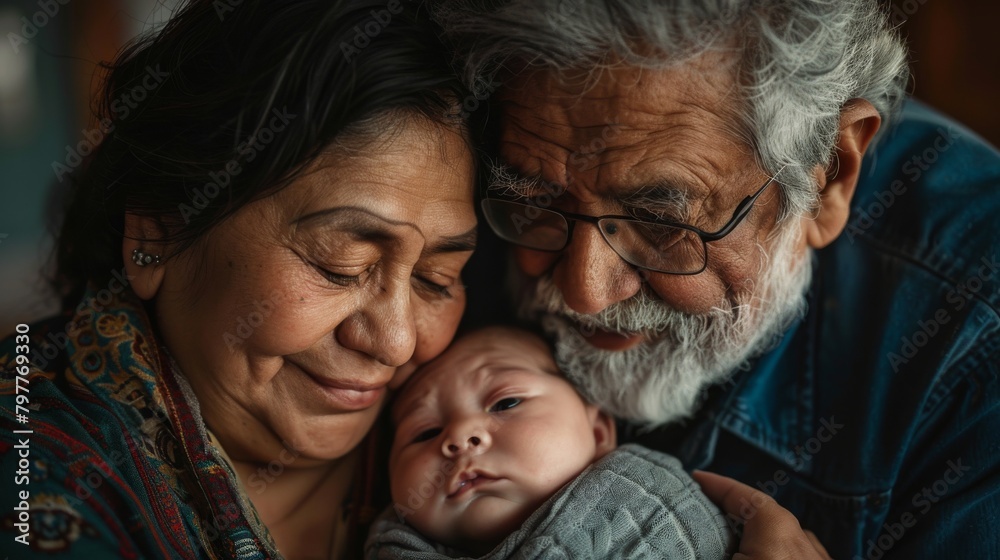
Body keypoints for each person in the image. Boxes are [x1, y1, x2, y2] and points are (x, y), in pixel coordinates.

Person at [434, 1, 1000, 558]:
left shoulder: (978, 330)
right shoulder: (453, 183)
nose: (584, 291)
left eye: (659, 223)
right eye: (534, 202)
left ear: (828, 178)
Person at [0, 1, 479, 558]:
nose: (396, 343)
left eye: (436, 279)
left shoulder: (498, 432)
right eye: (338, 266)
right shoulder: (32, 467)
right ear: (155, 233)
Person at [366, 326, 734, 559]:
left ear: (598, 432)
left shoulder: (654, 505)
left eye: (506, 402)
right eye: (424, 433)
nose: (459, 438)